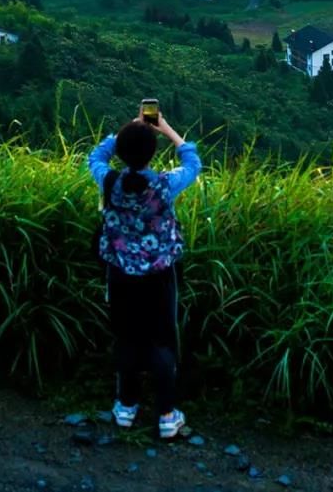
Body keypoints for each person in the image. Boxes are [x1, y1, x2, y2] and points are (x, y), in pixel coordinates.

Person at [89, 107, 202, 440]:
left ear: (122, 153)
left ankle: (126, 407)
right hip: (159, 274)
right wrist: (165, 128)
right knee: (162, 339)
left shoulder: (110, 182)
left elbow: (94, 157)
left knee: (126, 336)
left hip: (120, 274)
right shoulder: (165, 186)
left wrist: (129, 129)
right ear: (153, 153)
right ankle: (167, 413)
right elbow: (194, 164)